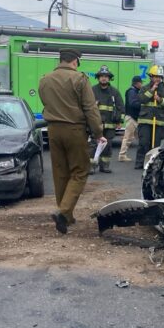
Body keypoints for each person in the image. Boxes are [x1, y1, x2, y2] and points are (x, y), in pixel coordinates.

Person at [39, 48, 106, 234]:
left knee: (60, 172)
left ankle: (65, 216)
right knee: (79, 171)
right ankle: (63, 212)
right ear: (75, 61)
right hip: (74, 129)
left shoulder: (45, 79)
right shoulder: (80, 79)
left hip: (52, 130)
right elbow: (90, 109)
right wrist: (97, 132)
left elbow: (45, 102)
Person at [135, 65, 164, 170]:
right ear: (151, 77)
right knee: (144, 142)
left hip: (159, 121)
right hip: (145, 120)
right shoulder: (144, 88)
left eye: (159, 77)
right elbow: (141, 99)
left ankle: (155, 164)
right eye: (155, 76)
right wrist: (152, 90)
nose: (157, 79)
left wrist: (160, 100)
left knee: (157, 144)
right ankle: (140, 163)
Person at [90, 65, 124, 173]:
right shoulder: (92, 90)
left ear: (109, 78)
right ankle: (91, 166)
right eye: (101, 76)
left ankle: (104, 166)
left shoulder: (115, 92)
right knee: (93, 145)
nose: (104, 78)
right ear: (98, 78)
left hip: (110, 124)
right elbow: (86, 107)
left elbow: (121, 108)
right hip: (95, 124)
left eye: (106, 76)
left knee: (107, 145)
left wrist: (120, 121)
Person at [118, 75, 143, 162]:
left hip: (134, 118)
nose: (142, 84)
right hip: (132, 118)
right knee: (128, 137)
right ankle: (122, 155)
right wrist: (142, 105)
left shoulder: (134, 91)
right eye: (141, 82)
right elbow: (133, 104)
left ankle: (142, 156)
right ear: (137, 83)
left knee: (140, 137)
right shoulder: (132, 92)